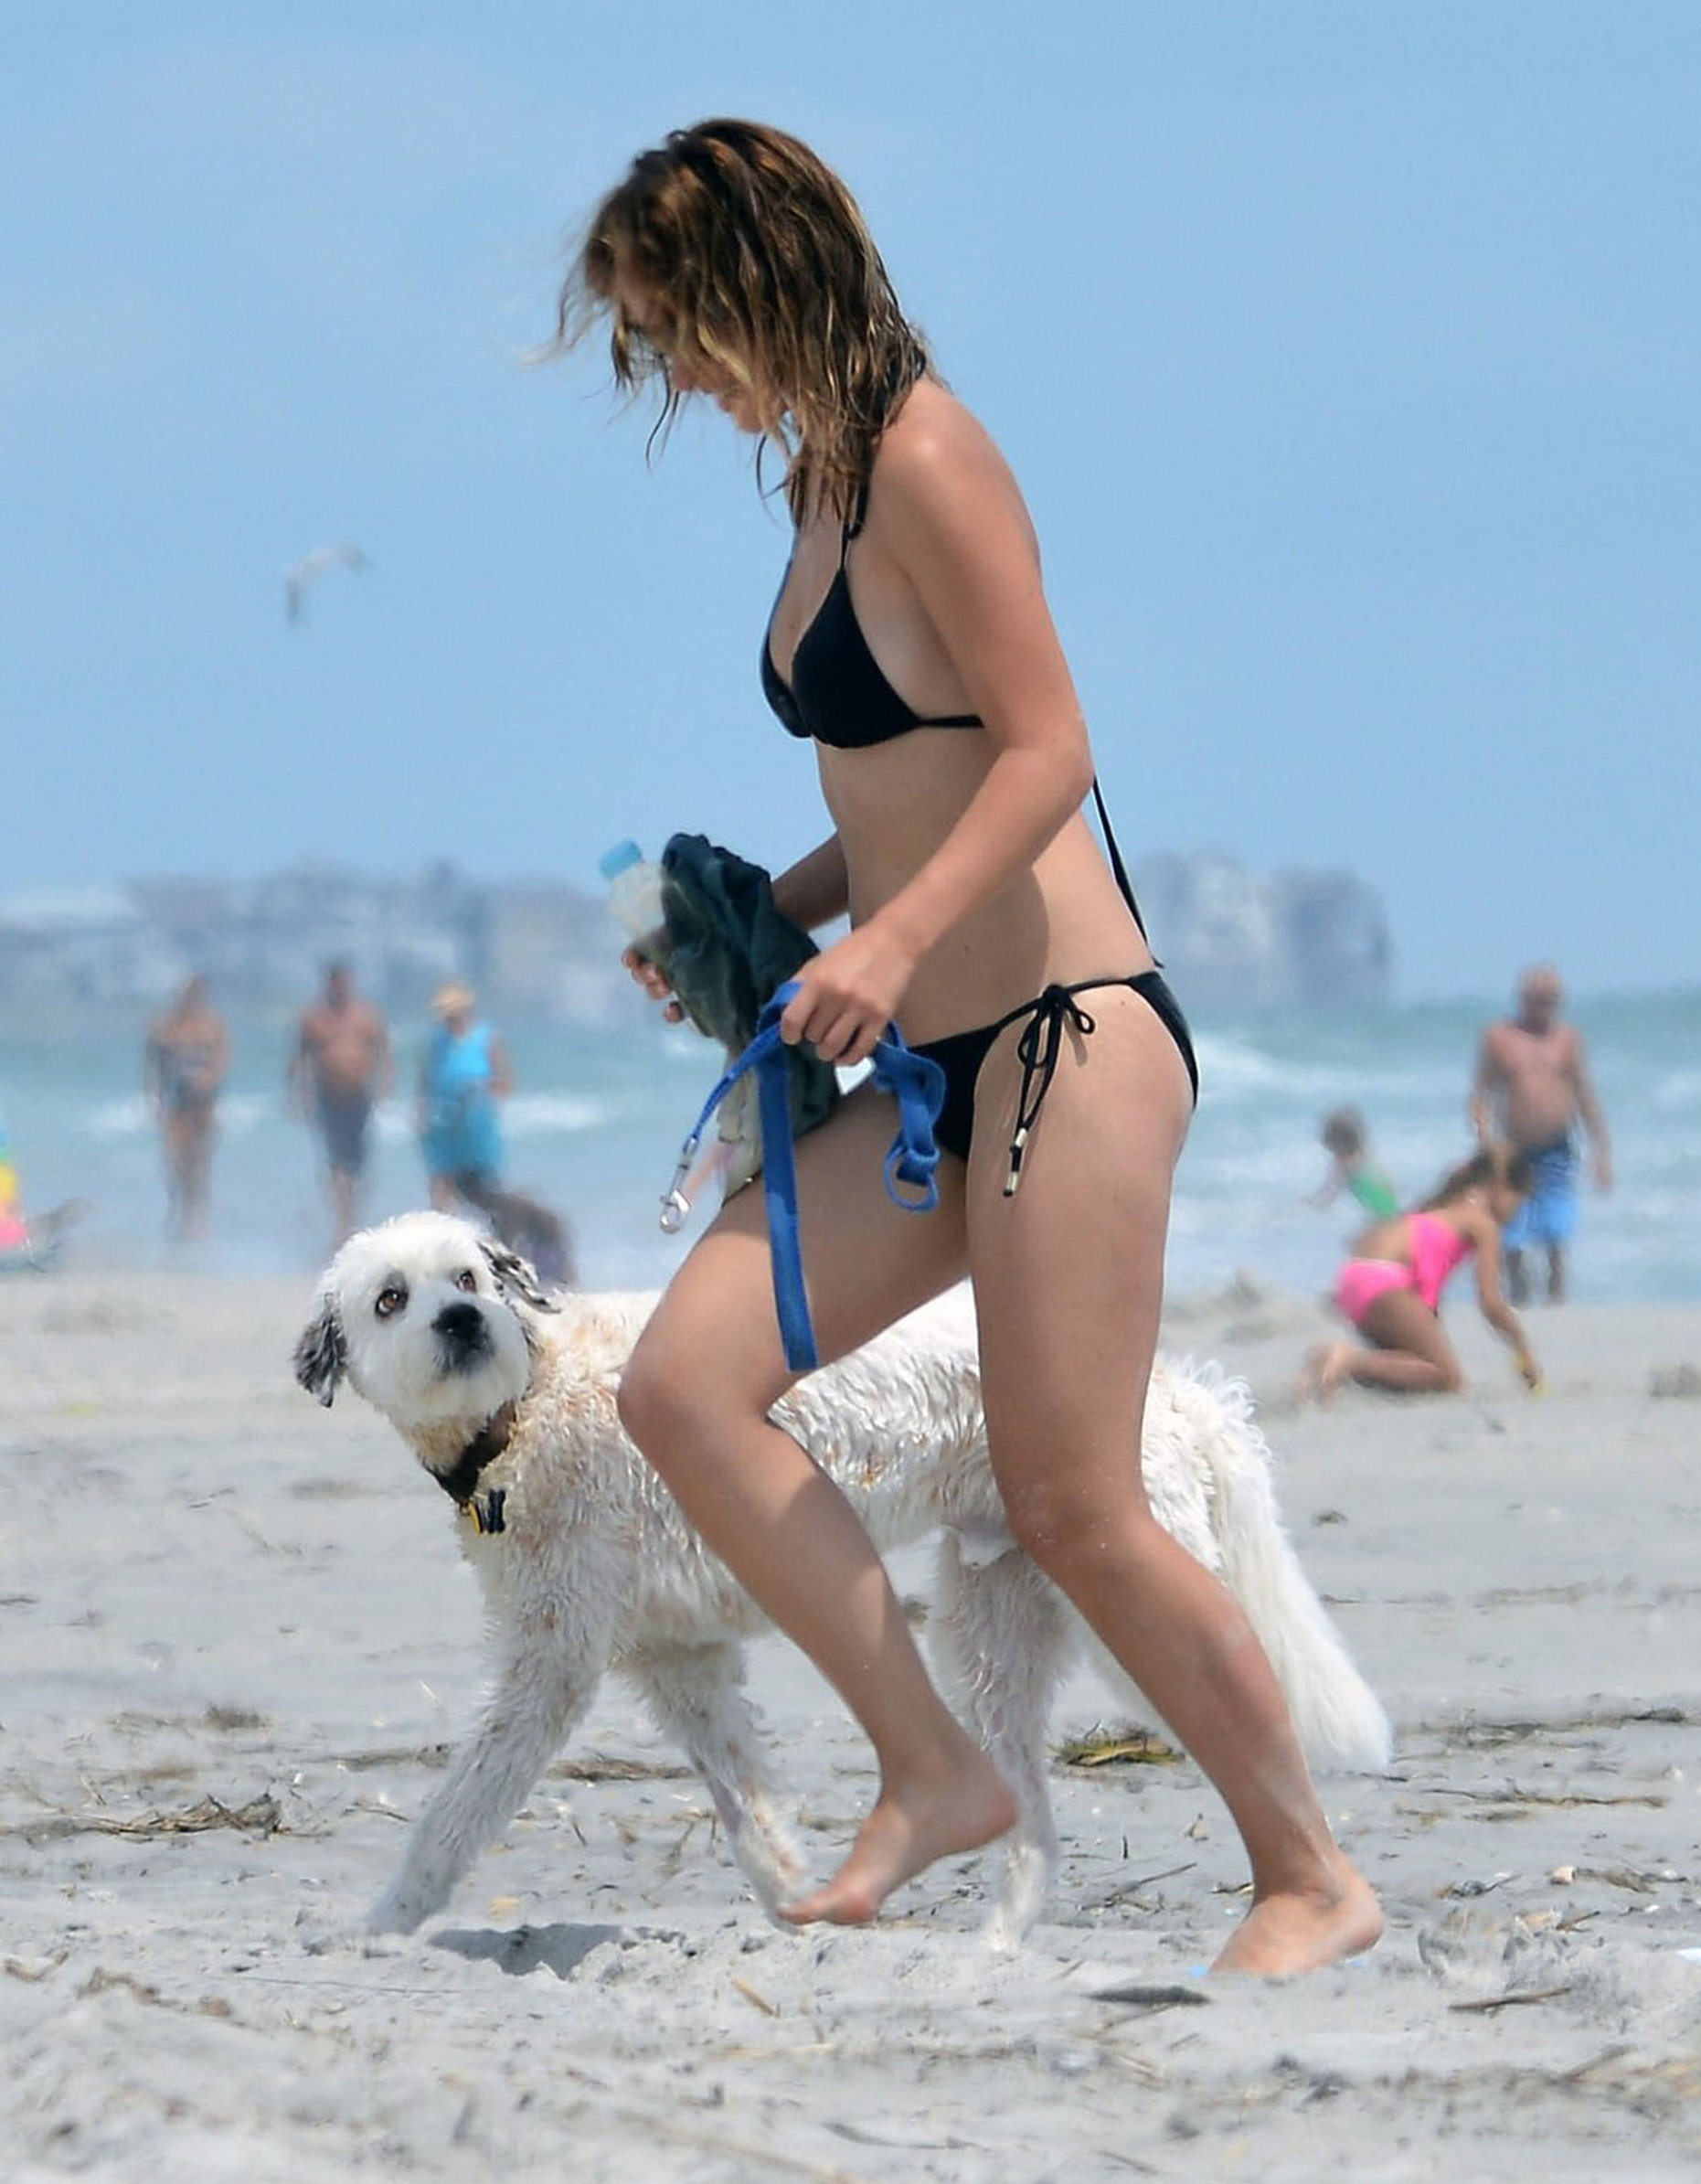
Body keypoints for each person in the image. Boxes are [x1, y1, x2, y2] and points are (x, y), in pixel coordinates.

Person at [556, 119, 1379, 1975]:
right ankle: (930, 1766)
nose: (664, 373)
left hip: (1065, 1042)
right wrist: (763, 919)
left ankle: (1310, 1875)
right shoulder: (818, 482)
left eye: (671, 327)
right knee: (682, 1385)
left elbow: (1048, 744)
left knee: (1071, 1501)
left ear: (759, 280)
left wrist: (897, 939)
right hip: (938, 1074)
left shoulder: (929, 455)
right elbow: (904, 784)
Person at [1301, 1143, 1543, 1400]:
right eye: (1519, 1203)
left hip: (1353, 1278)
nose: (1515, 1215)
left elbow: (1422, 1282)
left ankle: (1327, 1363)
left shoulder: (1436, 1208)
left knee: (1410, 1365)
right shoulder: (1482, 1223)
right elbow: (1491, 1303)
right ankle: (1349, 1361)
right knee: (1447, 1378)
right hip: (1384, 1281)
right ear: (1501, 1186)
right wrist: (1522, 1349)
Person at [1468, 964, 1612, 1305]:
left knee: (1556, 1230)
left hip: (1556, 1147)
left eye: (1553, 1000)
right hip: (1512, 1148)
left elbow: (1584, 1094)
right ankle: (1519, 1293)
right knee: (1511, 1229)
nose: (1546, 1007)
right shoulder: (1499, 1038)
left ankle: (1556, 1300)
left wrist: (1602, 1151)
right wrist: (1484, 1139)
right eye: (1540, 999)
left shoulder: (1568, 1040)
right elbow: (1481, 1094)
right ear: (1523, 998)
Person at [416, 983, 573, 1285]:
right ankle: (440, 1253)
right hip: (443, 1125)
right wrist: (423, 1112)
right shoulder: (437, 1043)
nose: (449, 1019)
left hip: (477, 1125)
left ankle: (501, 1250)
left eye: (453, 1013)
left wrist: (479, 1091)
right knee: (443, 1186)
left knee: (485, 1191)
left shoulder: (486, 1038)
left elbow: (504, 1083)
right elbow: (426, 1081)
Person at [288, 959, 393, 1247]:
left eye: (344, 982)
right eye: (335, 982)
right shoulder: (314, 1019)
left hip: (359, 1097)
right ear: (328, 984)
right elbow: (299, 1059)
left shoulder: (366, 1016)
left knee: (357, 1163)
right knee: (335, 1163)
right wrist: (297, 1095)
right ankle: (342, 1224)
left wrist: (385, 1087)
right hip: (328, 1099)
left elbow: (384, 1051)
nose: (339, 988)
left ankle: (353, 1215)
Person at [144, 975, 229, 1241]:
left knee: (200, 1160)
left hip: (203, 1103)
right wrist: (153, 1097)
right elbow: (152, 1064)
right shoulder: (165, 1026)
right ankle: (179, 1211)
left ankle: (197, 1219)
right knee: (176, 1160)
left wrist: (209, 1079)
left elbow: (223, 1059)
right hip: (174, 1101)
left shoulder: (211, 1025)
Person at [1310, 1107, 1398, 1222]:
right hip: (1390, 1211)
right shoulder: (1365, 1156)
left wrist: (1310, 1206)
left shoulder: (1344, 1165)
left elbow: (1329, 1196)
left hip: (1382, 1215)